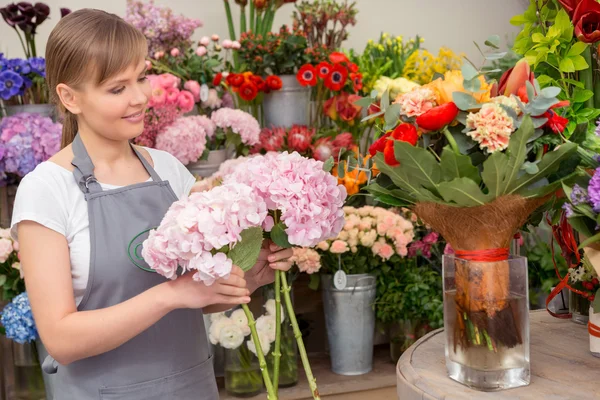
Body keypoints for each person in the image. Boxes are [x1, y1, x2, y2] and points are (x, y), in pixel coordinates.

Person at [11, 9, 292, 399]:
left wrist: (250, 275)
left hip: (191, 385)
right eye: (117, 88)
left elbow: (196, 297)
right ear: (69, 97)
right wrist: (170, 294)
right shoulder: (46, 189)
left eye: (141, 77)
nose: (140, 97)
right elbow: (61, 338)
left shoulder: (168, 170)